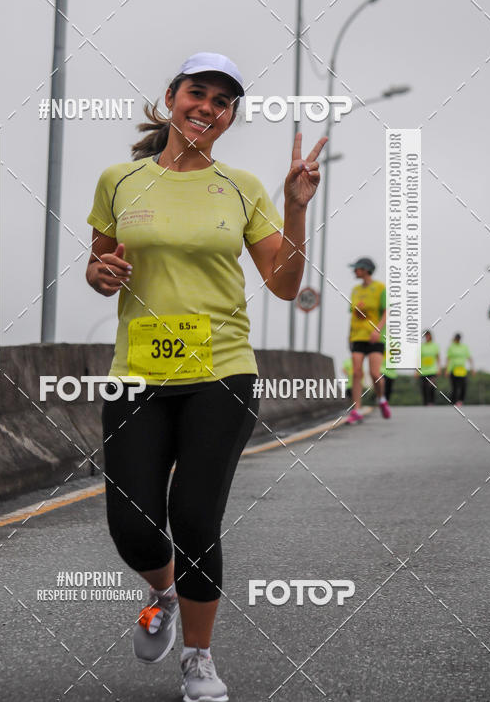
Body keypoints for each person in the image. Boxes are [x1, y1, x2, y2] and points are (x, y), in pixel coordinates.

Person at [85, 52, 327, 702]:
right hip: (137, 373)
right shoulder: (120, 180)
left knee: (194, 515)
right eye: (198, 92)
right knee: (133, 524)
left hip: (221, 370)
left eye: (223, 101)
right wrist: (102, 273)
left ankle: (198, 657)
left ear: (228, 118)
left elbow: (283, 282)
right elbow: (99, 264)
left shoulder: (242, 186)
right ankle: (162, 592)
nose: (208, 106)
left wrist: (296, 206)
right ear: (170, 97)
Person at [346, 257, 390, 424]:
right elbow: (353, 315)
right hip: (357, 336)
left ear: (366, 269)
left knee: (374, 374)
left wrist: (378, 330)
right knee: (356, 372)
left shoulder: (380, 288)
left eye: (357, 268)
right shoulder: (355, 290)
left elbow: (386, 312)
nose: (354, 271)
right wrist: (349, 336)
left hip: (374, 337)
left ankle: (381, 399)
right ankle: (356, 409)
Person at [445, 333, 475, 406]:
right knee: (454, 387)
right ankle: (453, 401)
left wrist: (472, 368)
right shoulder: (451, 347)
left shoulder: (464, 347)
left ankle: (460, 400)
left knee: (463, 386)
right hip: (453, 369)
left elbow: (469, 357)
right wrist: (447, 370)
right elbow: (448, 359)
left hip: (462, 370)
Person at [415, 330, 441, 405]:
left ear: (430, 336)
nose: (427, 337)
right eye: (425, 336)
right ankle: (425, 403)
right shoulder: (421, 346)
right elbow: (418, 359)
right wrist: (417, 370)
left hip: (432, 370)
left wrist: (439, 368)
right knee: (424, 387)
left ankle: (431, 402)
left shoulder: (435, 346)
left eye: (428, 335)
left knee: (431, 386)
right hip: (423, 371)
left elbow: (438, 358)